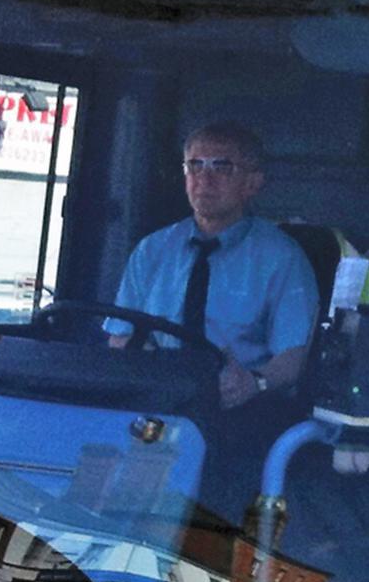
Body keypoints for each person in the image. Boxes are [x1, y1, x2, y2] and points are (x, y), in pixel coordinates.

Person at [108, 122, 319, 413]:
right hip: (157, 403)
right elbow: (121, 335)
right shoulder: (152, 250)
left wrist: (255, 383)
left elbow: (295, 354)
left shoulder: (282, 257)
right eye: (194, 166)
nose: (204, 180)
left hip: (239, 408)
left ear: (253, 183)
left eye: (221, 167)